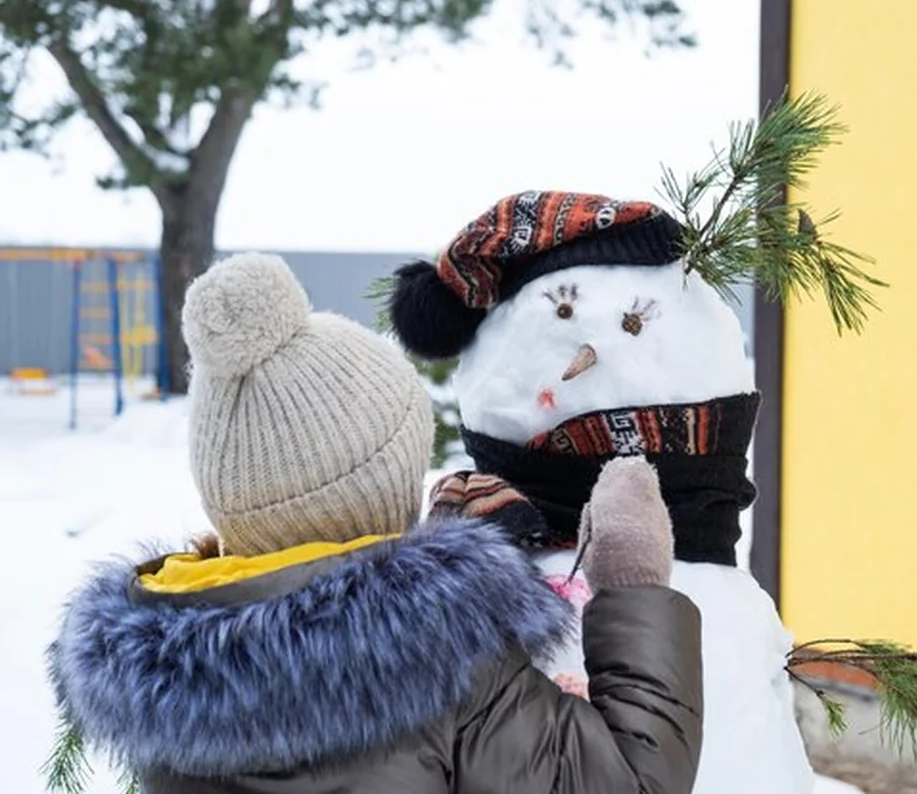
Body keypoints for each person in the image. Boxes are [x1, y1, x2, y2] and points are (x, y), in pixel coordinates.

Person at [48, 252, 703, 794]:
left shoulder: (162, 675)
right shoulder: (441, 657)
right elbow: (634, 784)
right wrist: (633, 584)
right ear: (377, 485)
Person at [388, 191, 815, 794]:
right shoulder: (486, 582)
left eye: (634, 325)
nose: (585, 360)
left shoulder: (458, 582)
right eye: (561, 316)